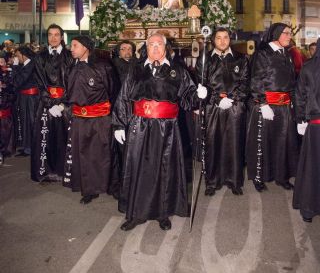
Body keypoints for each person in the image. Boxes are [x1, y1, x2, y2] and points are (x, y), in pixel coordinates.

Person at [112, 32, 207, 231]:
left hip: (167, 128)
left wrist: (199, 95)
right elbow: (123, 97)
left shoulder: (177, 71)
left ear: (165, 48)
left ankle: (163, 213)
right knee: (139, 169)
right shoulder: (136, 70)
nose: (154, 48)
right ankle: (135, 213)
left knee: (166, 170)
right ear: (146, 48)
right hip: (140, 127)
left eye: (158, 45)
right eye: (150, 45)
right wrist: (119, 124)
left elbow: (188, 99)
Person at [63, 36, 118, 204]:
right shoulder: (71, 67)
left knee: (103, 154)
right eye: (71, 45)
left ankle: (110, 185)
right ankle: (89, 189)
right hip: (79, 119)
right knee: (83, 155)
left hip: (100, 119)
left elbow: (113, 91)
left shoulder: (103, 66)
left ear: (86, 47)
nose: (71, 48)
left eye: (75, 45)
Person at [196, 27, 249, 196]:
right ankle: (212, 181)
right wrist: (218, 99)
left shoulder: (241, 59)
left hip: (235, 106)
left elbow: (245, 83)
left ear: (230, 39)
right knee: (213, 143)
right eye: (218, 38)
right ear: (213, 40)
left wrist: (232, 99)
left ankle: (234, 180)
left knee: (235, 143)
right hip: (213, 107)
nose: (222, 41)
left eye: (225, 37)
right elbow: (201, 84)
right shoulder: (205, 59)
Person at [246, 23, 299, 192]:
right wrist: (262, 103)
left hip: (284, 106)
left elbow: (291, 80)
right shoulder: (262, 54)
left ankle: (281, 176)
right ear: (276, 34)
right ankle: (259, 177)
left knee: (283, 142)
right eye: (287, 33)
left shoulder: (286, 54)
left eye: (290, 33)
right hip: (266, 105)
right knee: (262, 143)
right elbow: (255, 80)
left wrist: (292, 101)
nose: (290, 36)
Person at [31, 24, 73, 182]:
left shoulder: (70, 57)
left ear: (62, 37)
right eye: (50, 34)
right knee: (45, 138)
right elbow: (39, 83)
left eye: (57, 34)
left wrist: (62, 104)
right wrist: (49, 103)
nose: (53, 38)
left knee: (65, 138)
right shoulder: (40, 57)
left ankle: (65, 172)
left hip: (65, 104)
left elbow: (73, 83)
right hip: (46, 103)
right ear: (47, 37)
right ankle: (46, 172)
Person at [293, 39, 320, 222]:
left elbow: (300, 95)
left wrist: (301, 118)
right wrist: (302, 118)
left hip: (315, 122)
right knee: (312, 167)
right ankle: (309, 208)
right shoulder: (309, 67)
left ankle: (309, 209)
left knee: (312, 167)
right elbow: (301, 95)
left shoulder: (309, 67)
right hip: (315, 122)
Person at [11, 46, 39, 156]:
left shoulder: (30, 65)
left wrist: (15, 66)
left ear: (24, 55)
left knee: (29, 122)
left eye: (18, 56)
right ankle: (27, 147)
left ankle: (30, 148)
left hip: (30, 98)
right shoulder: (28, 65)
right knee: (25, 122)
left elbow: (18, 81)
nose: (17, 58)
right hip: (26, 98)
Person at [0, 52, 14, 165]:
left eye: (2, 61)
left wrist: (4, 87)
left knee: (5, 131)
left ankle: (5, 150)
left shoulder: (10, 74)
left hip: (5, 106)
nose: (1, 64)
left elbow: (13, 90)